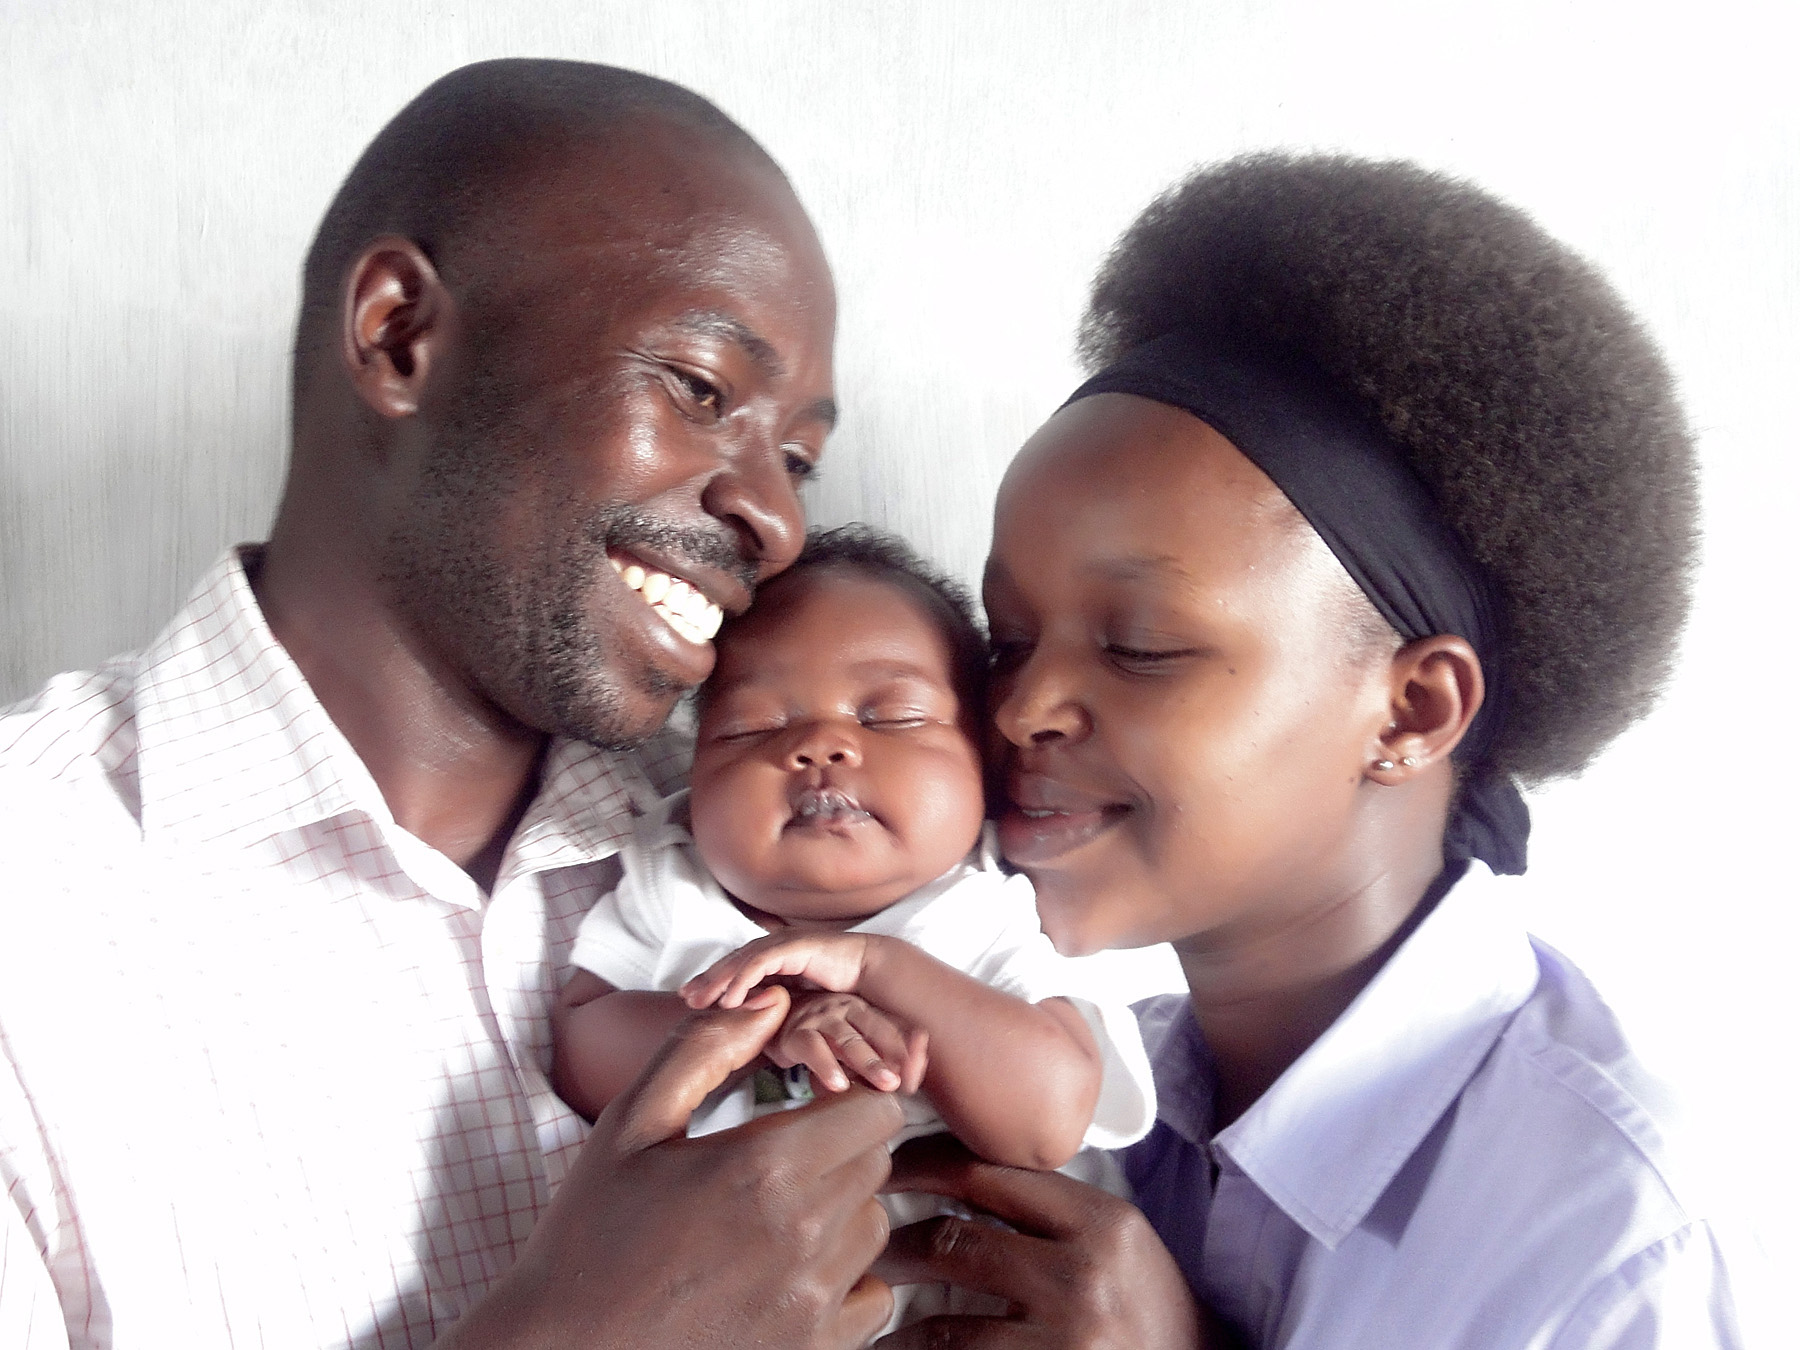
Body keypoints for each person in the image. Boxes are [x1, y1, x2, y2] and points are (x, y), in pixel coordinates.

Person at [0, 59, 906, 1349]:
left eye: (799, 455)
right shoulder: (30, 924)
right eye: (701, 390)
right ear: (400, 337)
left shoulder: (780, 856)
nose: (776, 517)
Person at [873, 155, 1750, 1348]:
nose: (1024, 706)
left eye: (1137, 647)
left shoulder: (1614, 1241)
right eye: (1011, 635)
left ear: (1413, 712)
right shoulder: (1088, 1105)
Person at [548, 525, 1155, 1326]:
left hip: (981, 1311)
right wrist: (768, 1025)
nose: (820, 747)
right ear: (691, 774)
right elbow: (581, 1052)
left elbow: (1045, 1124)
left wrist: (875, 968)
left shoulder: (988, 905)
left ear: (984, 761)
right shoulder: (675, 883)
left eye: (893, 717)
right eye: (752, 728)